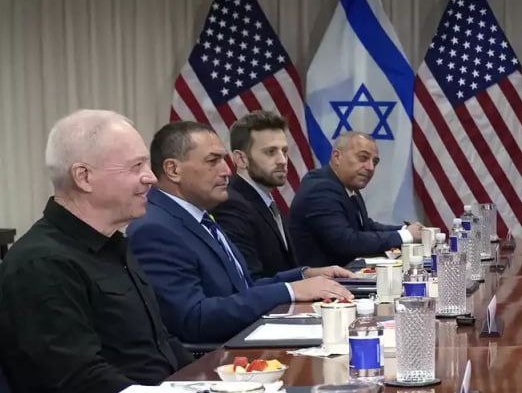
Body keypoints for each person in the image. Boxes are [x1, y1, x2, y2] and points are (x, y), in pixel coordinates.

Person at [0, 110, 193, 393]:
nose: (151, 177)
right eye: (136, 166)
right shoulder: (41, 264)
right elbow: (80, 383)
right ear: (84, 177)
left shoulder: (114, 245)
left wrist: (212, 386)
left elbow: (160, 345)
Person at [128, 122, 354, 345]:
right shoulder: (155, 229)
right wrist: (289, 291)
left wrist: (304, 276)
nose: (227, 171)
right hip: (216, 358)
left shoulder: (198, 217)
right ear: (173, 170)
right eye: (213, 161)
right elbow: (193, 319)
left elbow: (243, 288)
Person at [290, 131, 424, 268]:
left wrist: (405, 229)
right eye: (363, 158)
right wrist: (405, 235)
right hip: (320, 278)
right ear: (337, 157)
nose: (370, 167)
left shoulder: (347, 185)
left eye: (375, 162)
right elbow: (346, 242)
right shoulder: (320, 188)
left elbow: (365, 226)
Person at [212, 111, 297, 277]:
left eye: (284, 151)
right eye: (270, 152)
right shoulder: (230, 204)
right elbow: (249, 279)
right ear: (241, 159)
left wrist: (311, 275)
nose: (282, 160)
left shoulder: (267, 200)